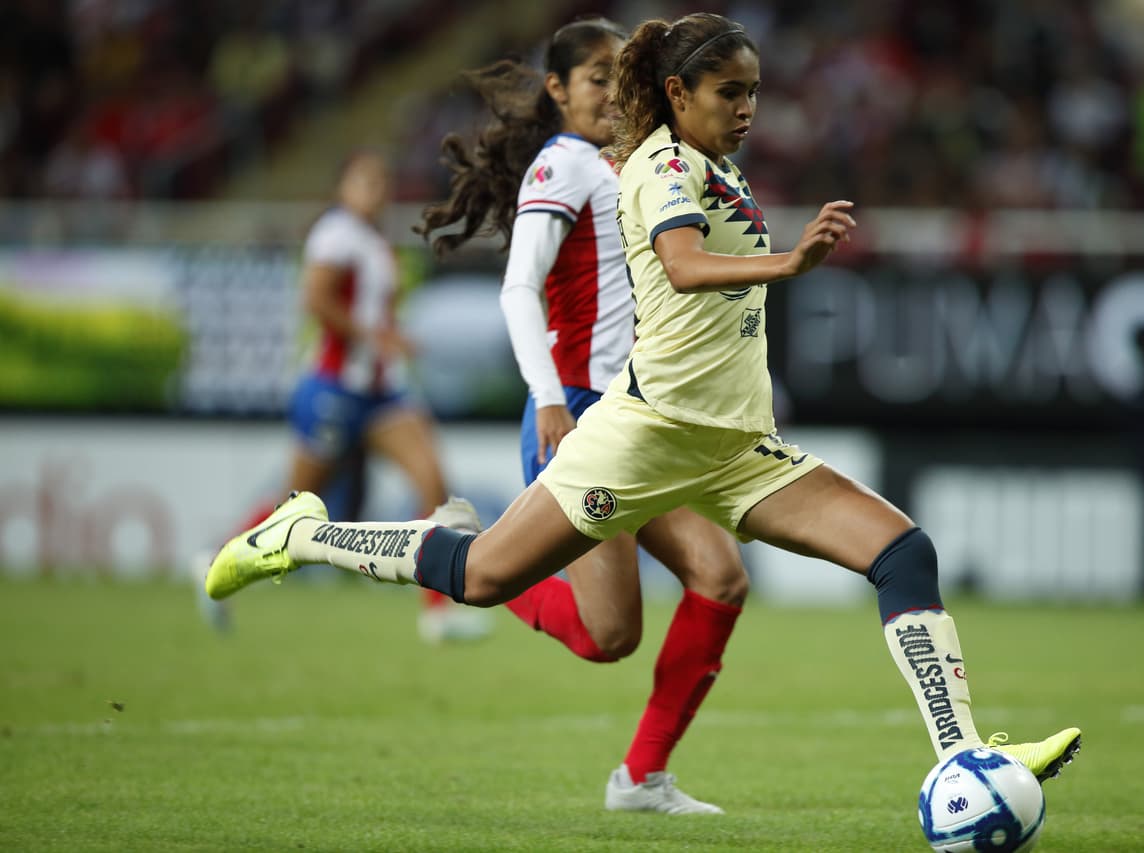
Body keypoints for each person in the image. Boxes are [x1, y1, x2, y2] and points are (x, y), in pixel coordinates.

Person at [205, 12, 1081, 800]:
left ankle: (964, 755)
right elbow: (683, 264)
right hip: (640, 437)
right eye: (729, 92)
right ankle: (301, 536)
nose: (747, 108)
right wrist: (790, 264)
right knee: (486, 578)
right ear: (677, 93)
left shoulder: (709, 165)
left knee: (901, 552)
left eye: (754, 93)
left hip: (736, 446)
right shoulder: (659, 164)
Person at [417, 17, 748, 814]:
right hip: (580, 416)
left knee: (720, 574)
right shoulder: (562, 167)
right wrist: (551, 399)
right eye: (593, 78)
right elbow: (517, 287)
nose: (608, 91)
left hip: (638, 417)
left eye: (616, 76)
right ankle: (454, 558)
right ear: (559, 91)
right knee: (609, 636)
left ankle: (640, 778)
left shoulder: (632, 165)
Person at [198, 151, 491, 644]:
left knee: (432, 478)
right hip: (335, 389)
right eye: (366, 181)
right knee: (292, 506)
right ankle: (214, 559)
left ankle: (436, 613)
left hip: (381, 393)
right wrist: (373, 337)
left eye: (382, 181)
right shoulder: (334, 234)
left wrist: (391, 339)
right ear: (342, 187)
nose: (377, 190)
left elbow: (366, 311)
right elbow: (315, 299)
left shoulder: (372, 240)